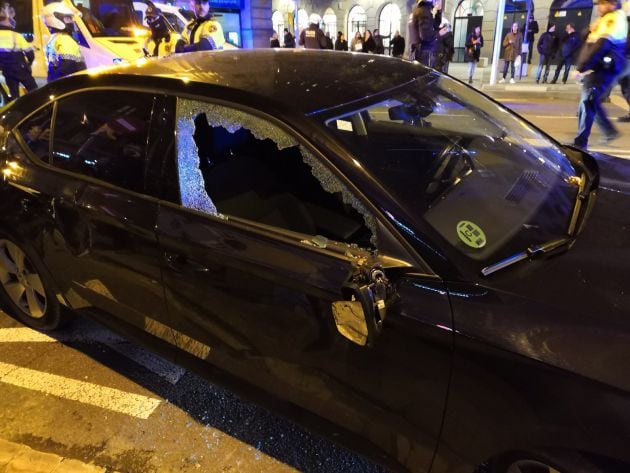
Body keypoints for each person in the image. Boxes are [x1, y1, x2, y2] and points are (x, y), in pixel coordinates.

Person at [573, 0, 627, 148]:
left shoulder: (613, 19)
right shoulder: (604, 19)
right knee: (589, 101)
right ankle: (607, 131)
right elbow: (589, 41)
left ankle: (580, 143)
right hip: (597, 67)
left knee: (588, 100)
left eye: (602, 3)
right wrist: (589, 30)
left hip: (604, 68)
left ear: (613, 4)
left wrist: (581, 68)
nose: (599, 7)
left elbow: (600, 46)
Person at [0, 2, 37, 101]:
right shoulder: (16, 36)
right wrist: (29, 63)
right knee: (34, 91)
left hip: (7, 71)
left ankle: (17, 113)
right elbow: (30, 54)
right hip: (21, 69)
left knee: (14, 96)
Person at [42, 2, 86, 82]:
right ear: (54, 18)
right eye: (67, 18)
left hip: (59, 84)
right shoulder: (65, 39)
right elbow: (67, 67)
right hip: (72, 84)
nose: (71, 21)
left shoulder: (54, 38)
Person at [408, 0, 442, 67]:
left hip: (419, 52)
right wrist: (438, 34)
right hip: (425, 53)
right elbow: (425, 36)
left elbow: (433, 25)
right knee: (427, 76)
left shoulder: (418, 10)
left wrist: (438, 12)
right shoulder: (424, 11)